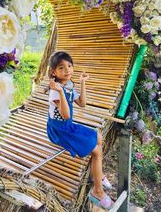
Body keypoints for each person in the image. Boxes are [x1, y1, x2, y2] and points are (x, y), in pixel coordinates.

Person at [46, 51, 114, 210]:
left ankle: (99, 174)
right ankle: (97, 191)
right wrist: (61, 92)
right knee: (97, 151)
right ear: (53, 72)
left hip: (68, 126)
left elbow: (82, 103)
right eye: (61, 68)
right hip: (60, 131)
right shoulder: (56, 91)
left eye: (69, 66)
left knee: (98, 136)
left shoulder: (68, 85)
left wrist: (82, 82)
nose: (67, 70)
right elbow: (65, 114)